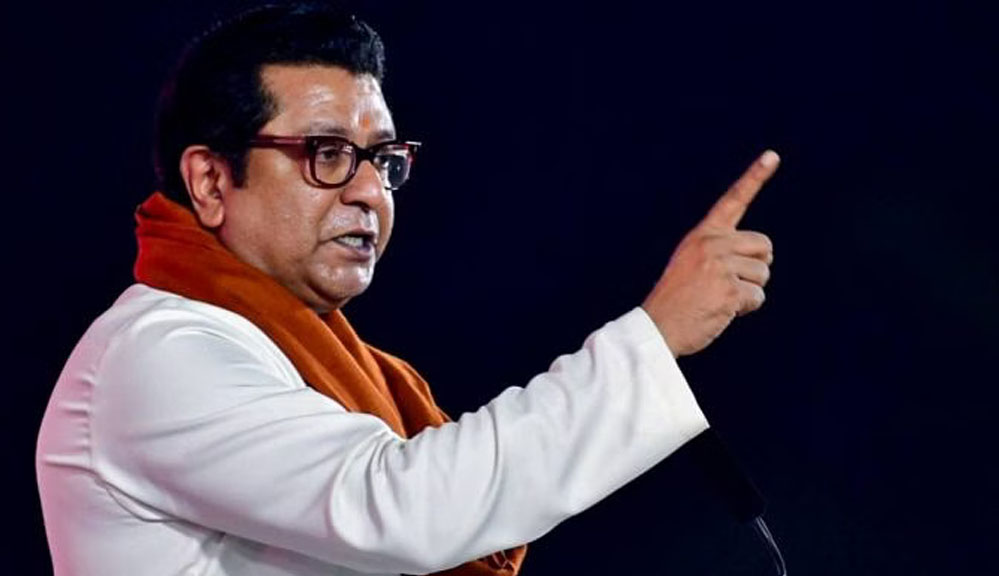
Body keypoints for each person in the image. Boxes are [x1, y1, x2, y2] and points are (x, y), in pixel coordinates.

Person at [35, 3, 778, 576]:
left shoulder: (306, 358)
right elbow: (405, 507)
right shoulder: (155, 354)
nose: (369, 192)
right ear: (209, 180)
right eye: (326, 153)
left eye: (383, 159)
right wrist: (654, 336)